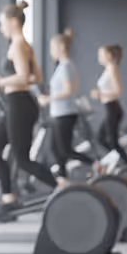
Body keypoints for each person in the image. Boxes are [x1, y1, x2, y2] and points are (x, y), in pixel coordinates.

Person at [0, 1, 57, 204]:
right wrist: (8, 81)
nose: (1, 28)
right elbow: (37, 77)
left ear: (13, 21)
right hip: (19, 103)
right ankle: (8, 196)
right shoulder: (26, 46)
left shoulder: (17, 45)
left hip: (19, 104)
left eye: (2, 23)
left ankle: (61, 187)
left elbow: (24, 77)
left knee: (22, 159)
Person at [42, 28, 93, 185]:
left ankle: (95, 164)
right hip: (60, 113)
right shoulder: (63, 66)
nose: (51, 52)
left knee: (65, 150)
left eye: (52, 48)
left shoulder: (65, 67)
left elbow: (68, 91)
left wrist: (48, 99)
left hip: (65, 113)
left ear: (61, 48)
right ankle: (63, 180)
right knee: (55, 149)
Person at [91, 44, 127, 166]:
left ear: (108, 55)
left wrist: (100, 94)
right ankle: (119, 162)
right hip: (110, 108)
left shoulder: (112, 68)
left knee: (112, 142)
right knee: (101, 139)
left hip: (113, 108)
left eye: (101, 54)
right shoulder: (108, 68)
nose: (99, 57)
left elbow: (118, 90)